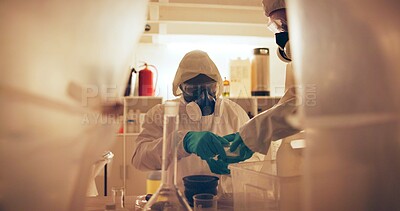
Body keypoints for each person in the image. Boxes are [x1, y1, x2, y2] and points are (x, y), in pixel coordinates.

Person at [131, 50, 260, 192]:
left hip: (224, 202)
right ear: (180, 88)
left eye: (210, 88)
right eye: (193, 89)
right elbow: (139, 160)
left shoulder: (233, 112)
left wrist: (235, 167)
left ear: (218, 85)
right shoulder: (163, 113)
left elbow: (257, 159)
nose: (204, 96)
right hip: (180, 202)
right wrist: (181, 142)